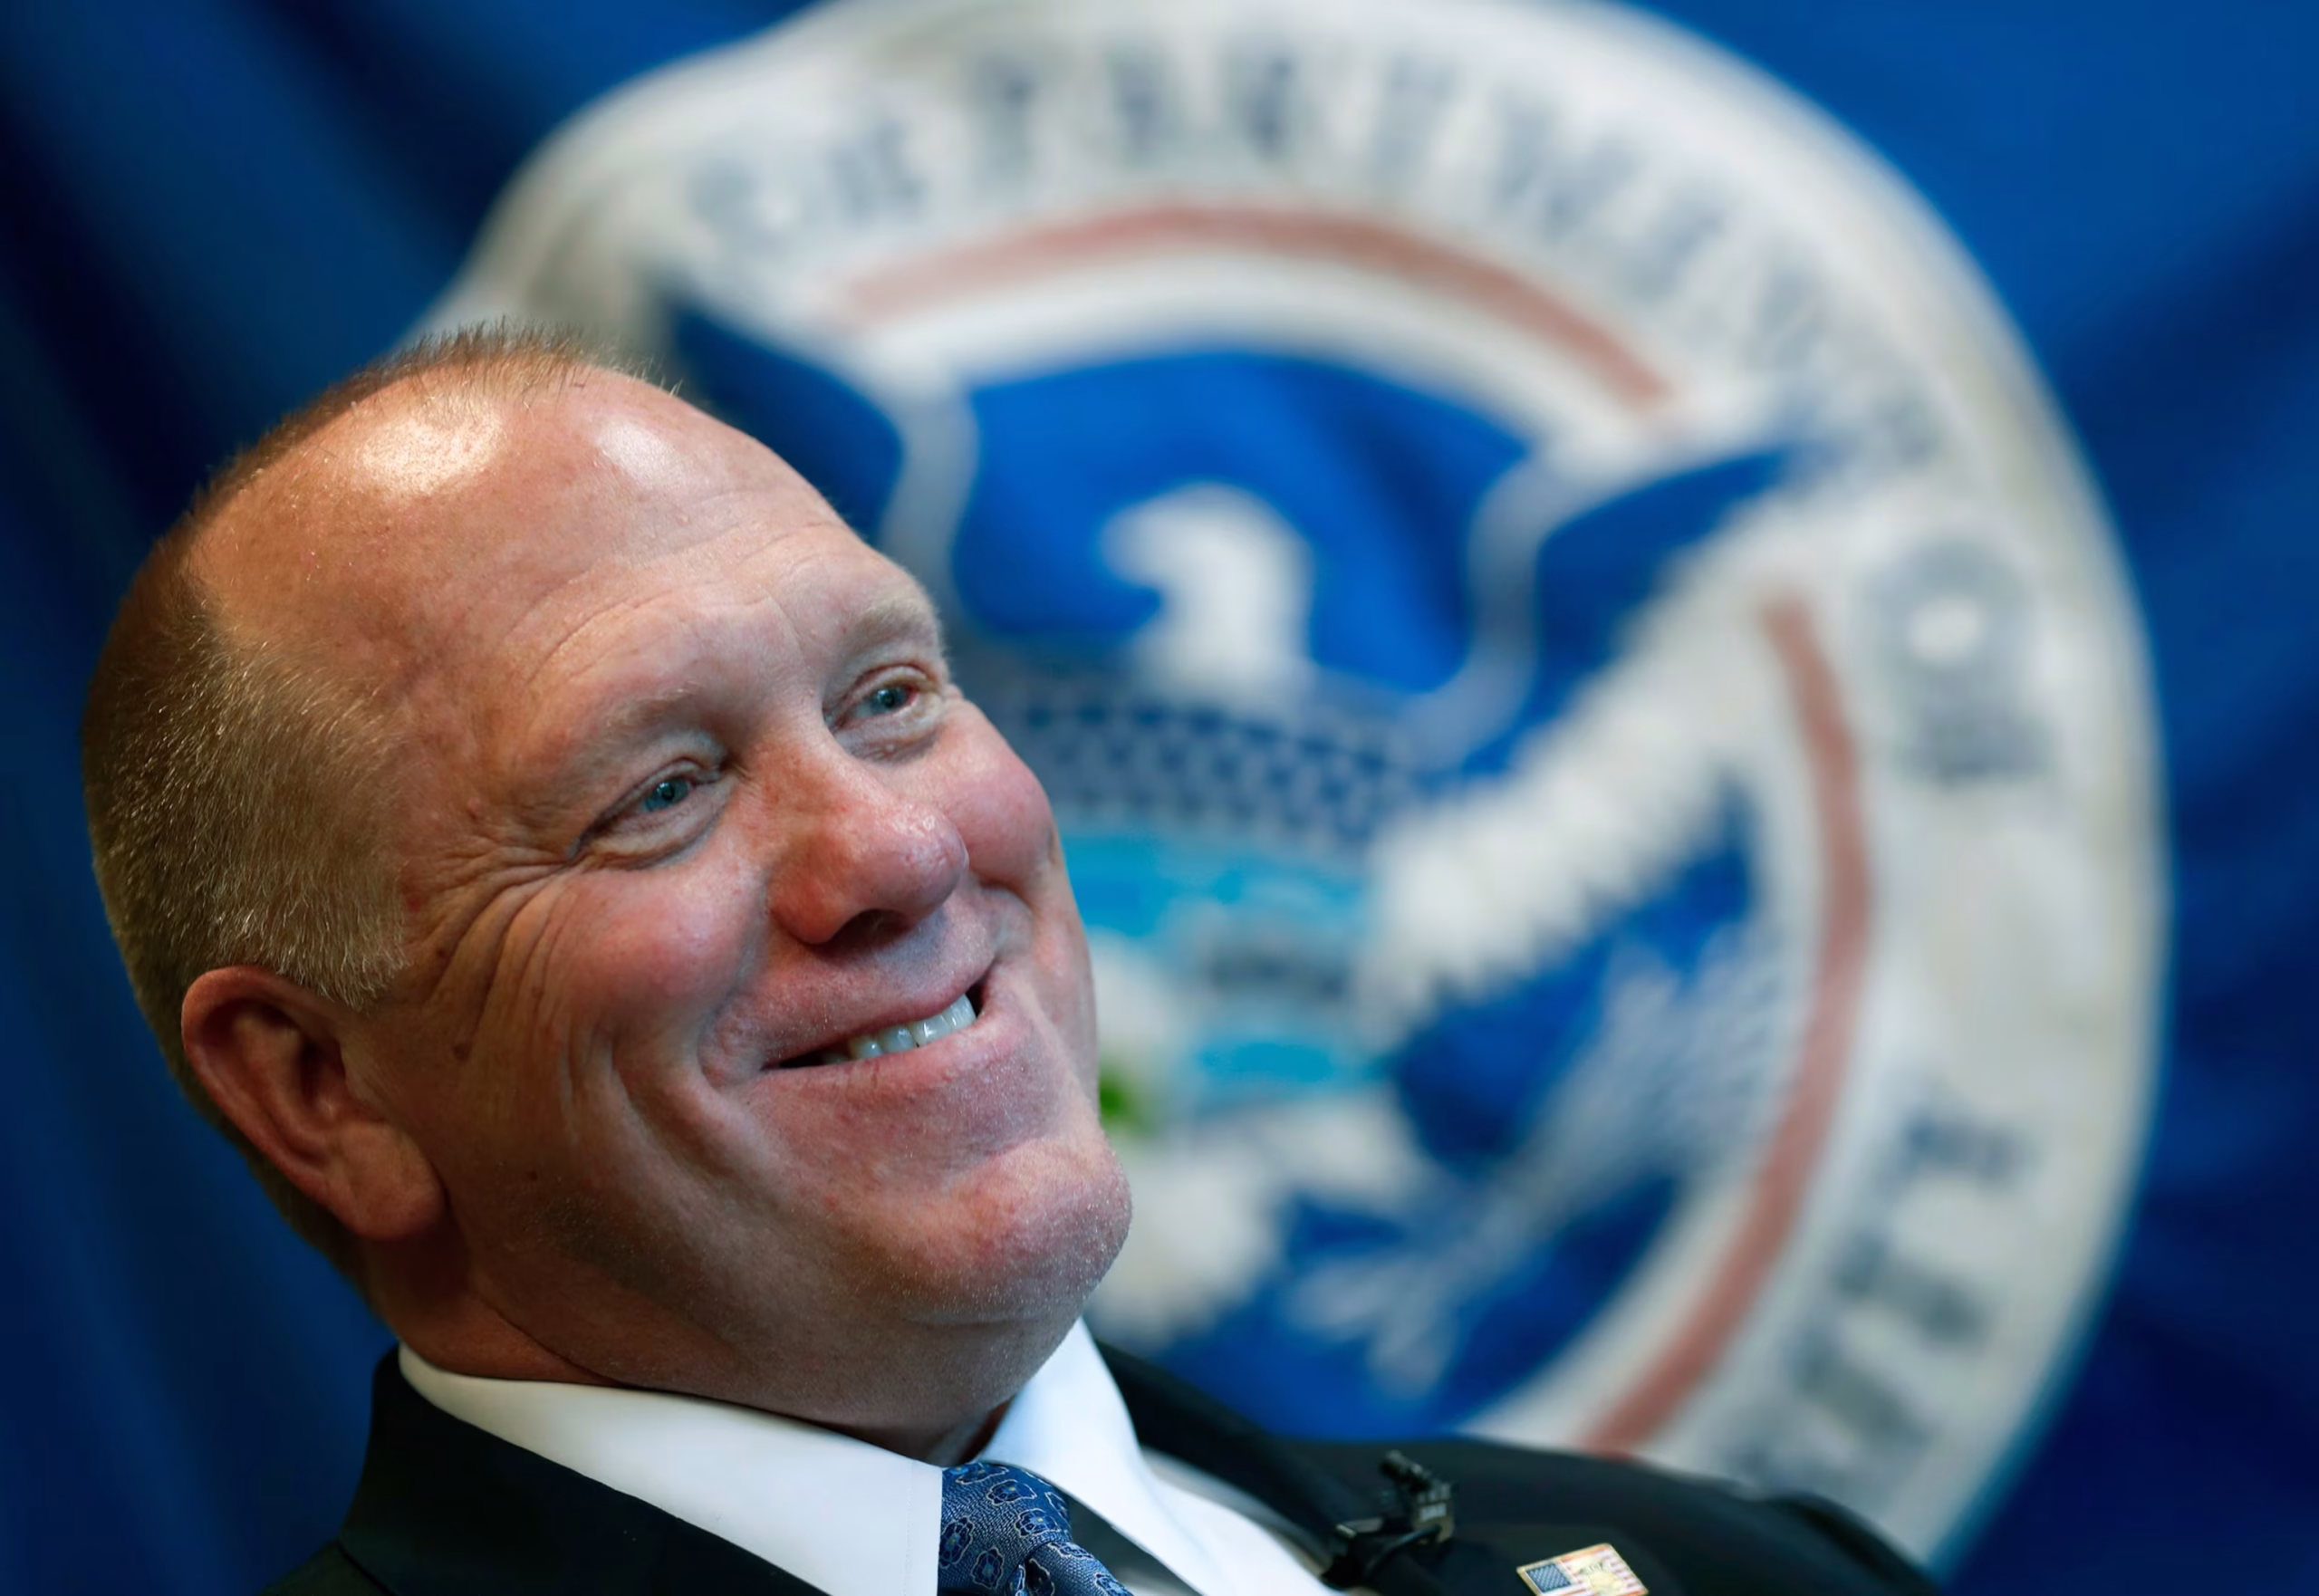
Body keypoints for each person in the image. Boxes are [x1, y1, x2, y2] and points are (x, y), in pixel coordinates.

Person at [81, 327, 1936, 1596]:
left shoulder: (1733, 1568)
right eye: (656, 788)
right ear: (321, 1089)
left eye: (890, 695)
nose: (897, 848)